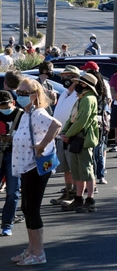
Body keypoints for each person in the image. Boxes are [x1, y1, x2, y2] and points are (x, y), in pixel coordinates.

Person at [10, 78, 62, 266]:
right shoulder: (26, 114)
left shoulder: (38, 113)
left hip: (36, 167)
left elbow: (56, 125)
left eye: (25, 93)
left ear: (35, 95)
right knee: (26, 208)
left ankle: (39, 253)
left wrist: (42, 145)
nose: (20, 96)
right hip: (25, 167)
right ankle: (31, 249)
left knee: (32, 209)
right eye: (19, 92)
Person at [59, 73, 99, 213]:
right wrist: (65, 132)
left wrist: (68, 135)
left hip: (84, 138)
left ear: (85, 85)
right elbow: (72, 118)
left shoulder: (89, 99)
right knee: (76, 170)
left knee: (86, 170)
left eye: (79, 83)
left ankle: (90, 201)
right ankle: (78, 199)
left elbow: (82, 121)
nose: (76, 85)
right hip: (75, 138)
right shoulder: (81, 98)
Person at [48, 66, 80, 206]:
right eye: (63, 76)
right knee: (65, 168)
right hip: (60, 136)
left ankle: (75, 194)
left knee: (74, 167)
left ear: (74, 77)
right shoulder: (65, 93)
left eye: (67, 76)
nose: (64, 79)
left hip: (71, 135)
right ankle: (68, 191)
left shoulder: (79, 94)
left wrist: (70, 132)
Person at [0, 91, 24, 237]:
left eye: (5, 105)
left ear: (12, 103)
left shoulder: (21, 115)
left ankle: (7, 224)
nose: (3, 108)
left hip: (15, 156)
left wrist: (12, 139)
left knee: (12, 192)